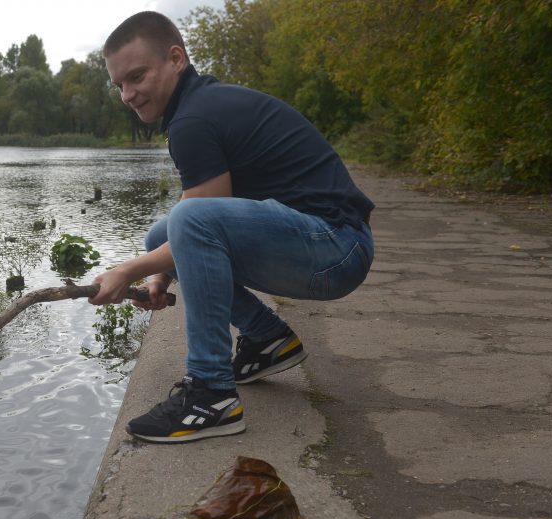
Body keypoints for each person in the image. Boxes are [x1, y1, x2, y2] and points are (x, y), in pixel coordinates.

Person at [89, 11, 375, 443]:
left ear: (175, 58)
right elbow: (196, 224)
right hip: (330, 244)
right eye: (119, 85)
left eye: (137, 76)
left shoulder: (193, 120)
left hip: (335, 249)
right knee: (160, 236)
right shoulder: (201, 105)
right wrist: (159, 273)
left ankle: (211, 396)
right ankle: (267, 339)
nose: (128, 94)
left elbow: (200, 219)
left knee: (184, 222)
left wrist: (127, 271)